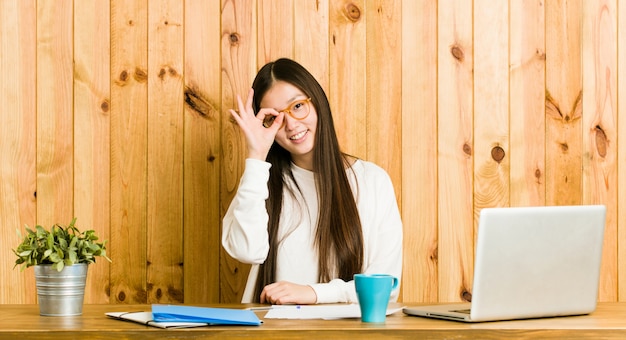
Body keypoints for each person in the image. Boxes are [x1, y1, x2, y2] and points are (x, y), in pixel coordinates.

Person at [222, 58, 403, 305]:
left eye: (297, 106)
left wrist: (313, 293)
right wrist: (255, 156)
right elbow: (246, 251)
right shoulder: (260, 179)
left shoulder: (372, 181)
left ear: (317, 103)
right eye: (274, 117)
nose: (291, 125)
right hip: (271, 333)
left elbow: (387, 287)